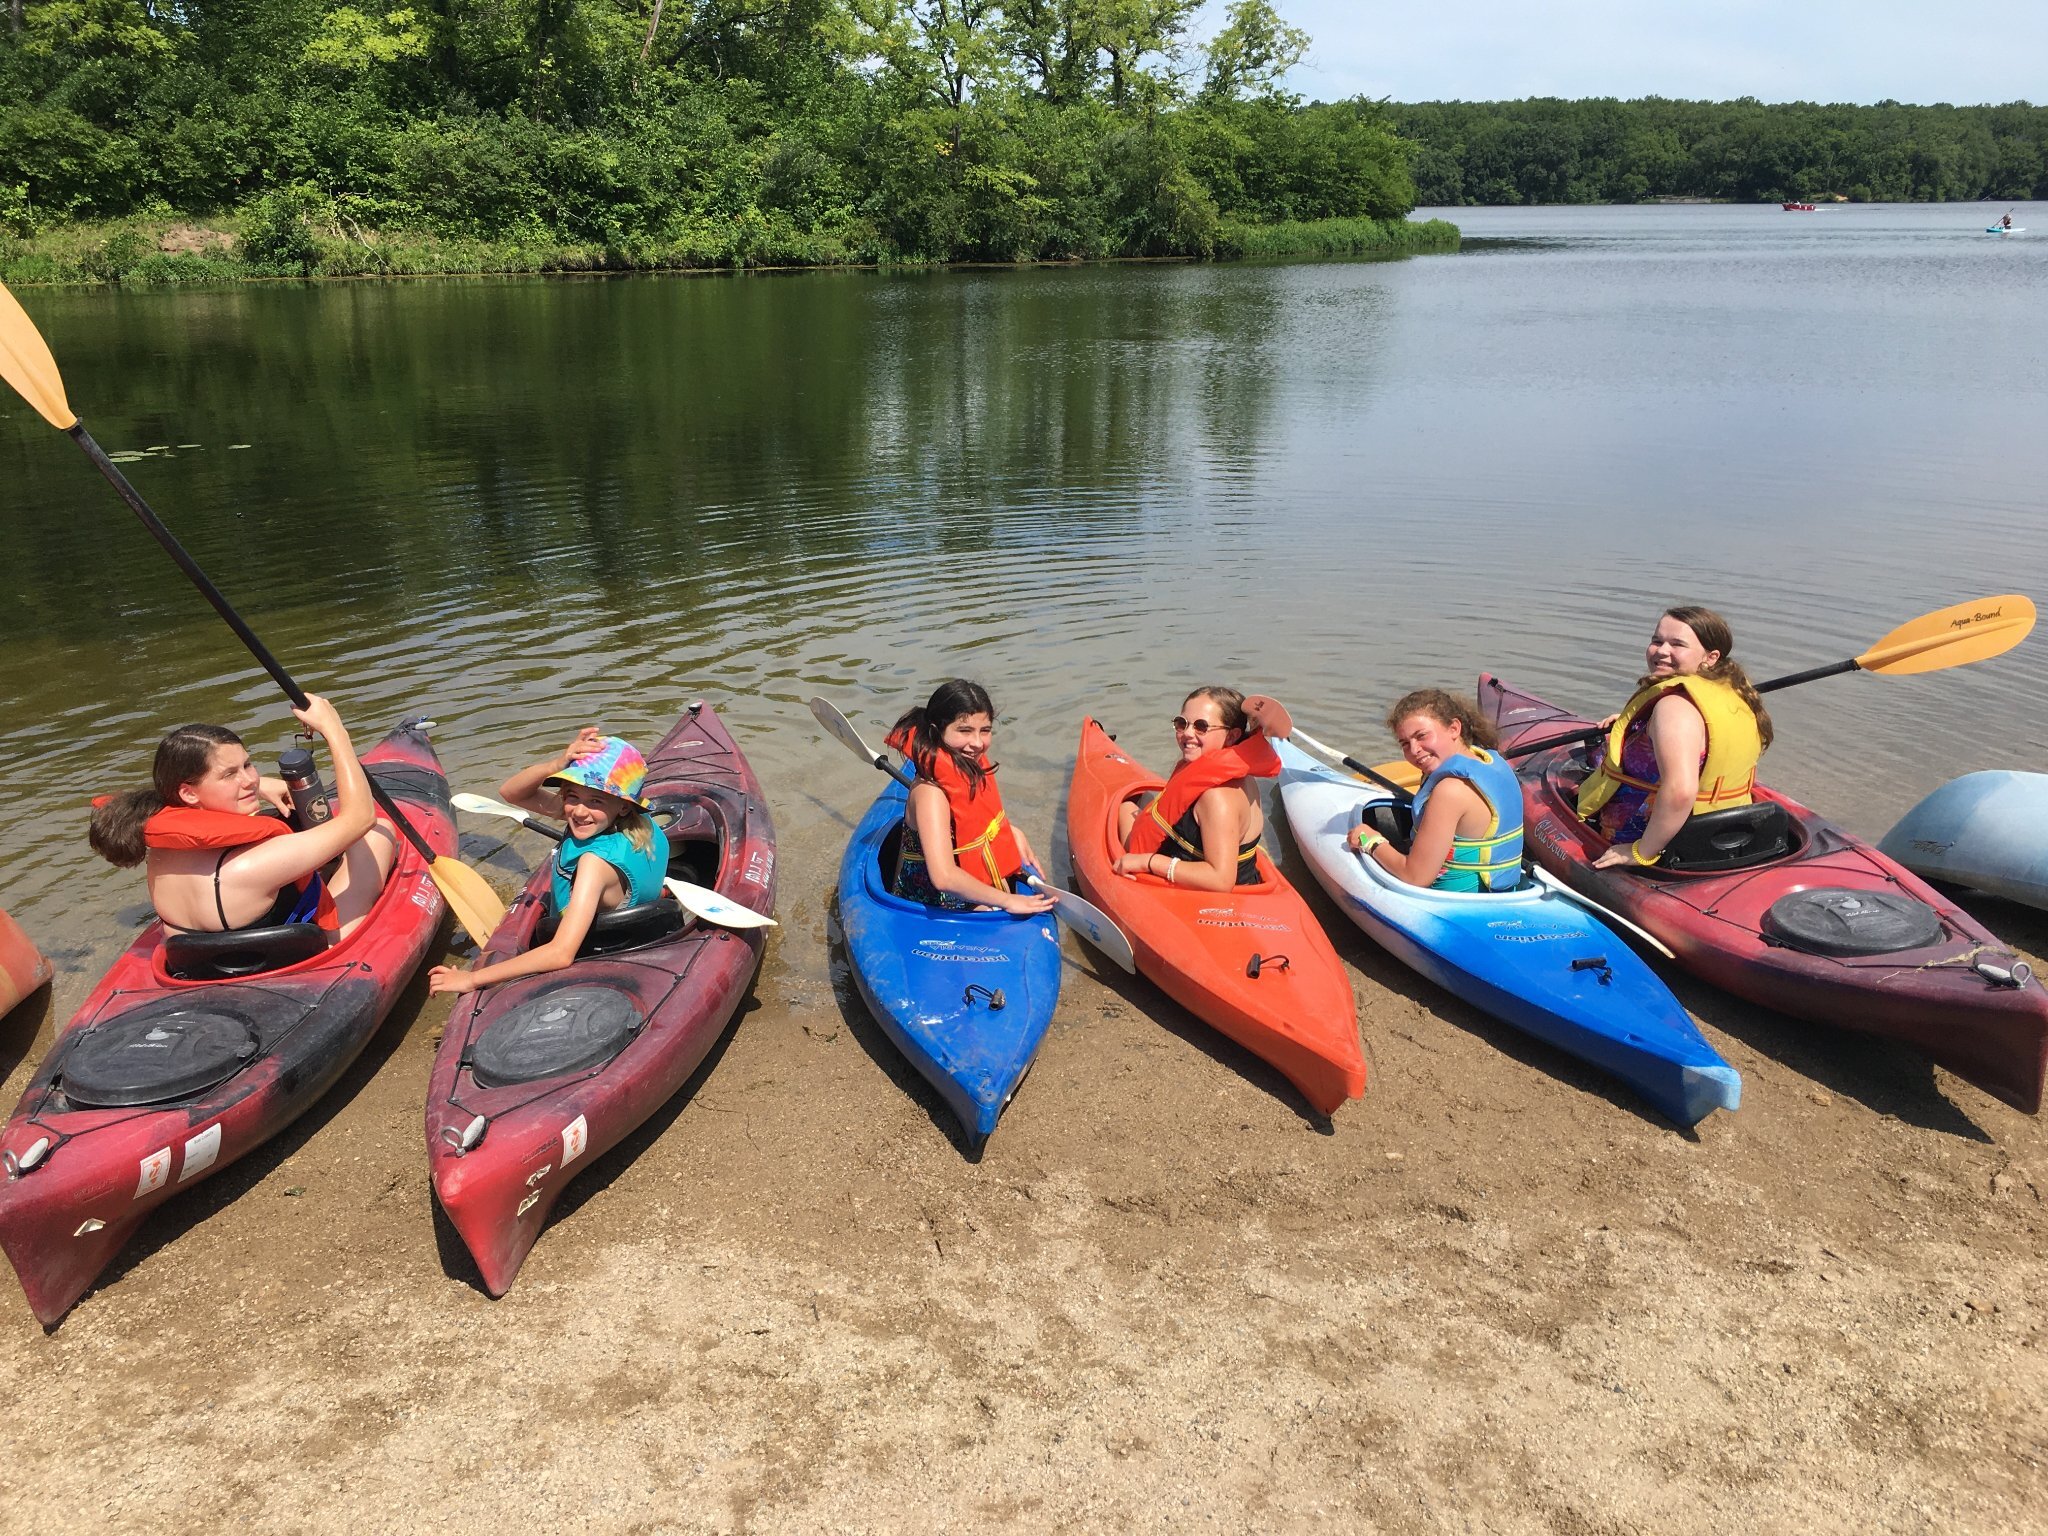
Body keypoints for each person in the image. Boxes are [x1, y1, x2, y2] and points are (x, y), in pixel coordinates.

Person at [89, 695, 396, 941]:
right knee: (377, 833)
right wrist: (335, 731)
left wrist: (261, 787)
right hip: (304, 951)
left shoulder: (158, 845)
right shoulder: (254, 864)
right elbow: (360, 817)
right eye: (229, 774)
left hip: (203, 958)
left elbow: (194, 810)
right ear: (189, 793)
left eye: (248, 765)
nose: (250, 779)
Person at [429, 730, 670, 994]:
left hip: (596, 954)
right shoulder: (637, 824)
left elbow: (560, 954)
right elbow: (511, 793)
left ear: (623, 806)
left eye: (595, 800)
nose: (578, 811)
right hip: (639, 931)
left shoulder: (593, 865)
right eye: (571, 796)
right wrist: (558, 763)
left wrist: (472, 979)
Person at [1577, 604, 1773, 871]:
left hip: (1650, 836)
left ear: (1711, 656)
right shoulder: (1735, 693)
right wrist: (1636, 725)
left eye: (1677, 644)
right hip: (1726, 829)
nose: (1662, 651)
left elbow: (1680, 791)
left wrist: (1641, 852)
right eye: (1657, 640)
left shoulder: (1674, 708)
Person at [885, 680, 1055, 916]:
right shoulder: (931, 793)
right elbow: (944, 877)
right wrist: (1007, 900)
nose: (977, 743)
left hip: (966, 882)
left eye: (984, 730)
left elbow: (977, 819)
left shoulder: (968, 768)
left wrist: (1009, 831)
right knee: (995, 907)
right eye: (964, 730)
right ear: (937, 732)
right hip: (934, 899)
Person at [1345, 689, 1524, 892]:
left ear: (1454, 728)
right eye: (1405, 743)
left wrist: (1370, 840)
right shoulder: (1491, 761)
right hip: (1503, 893)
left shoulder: (1450, 790)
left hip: (1455, 903)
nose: (1414, 750)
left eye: (1421, 736)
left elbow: (1415, 877)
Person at [1113, 686, 1278, 892]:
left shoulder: (1216, 797)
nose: (1187, 733)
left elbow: (1221, 880)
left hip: (1210, 893)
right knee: (1145, 799)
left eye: (1201, 726)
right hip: (1242, 875)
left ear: (1232, 736)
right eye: (1181, 724)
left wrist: (1147, 862)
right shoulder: (1244, 774)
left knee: (1125, 808)